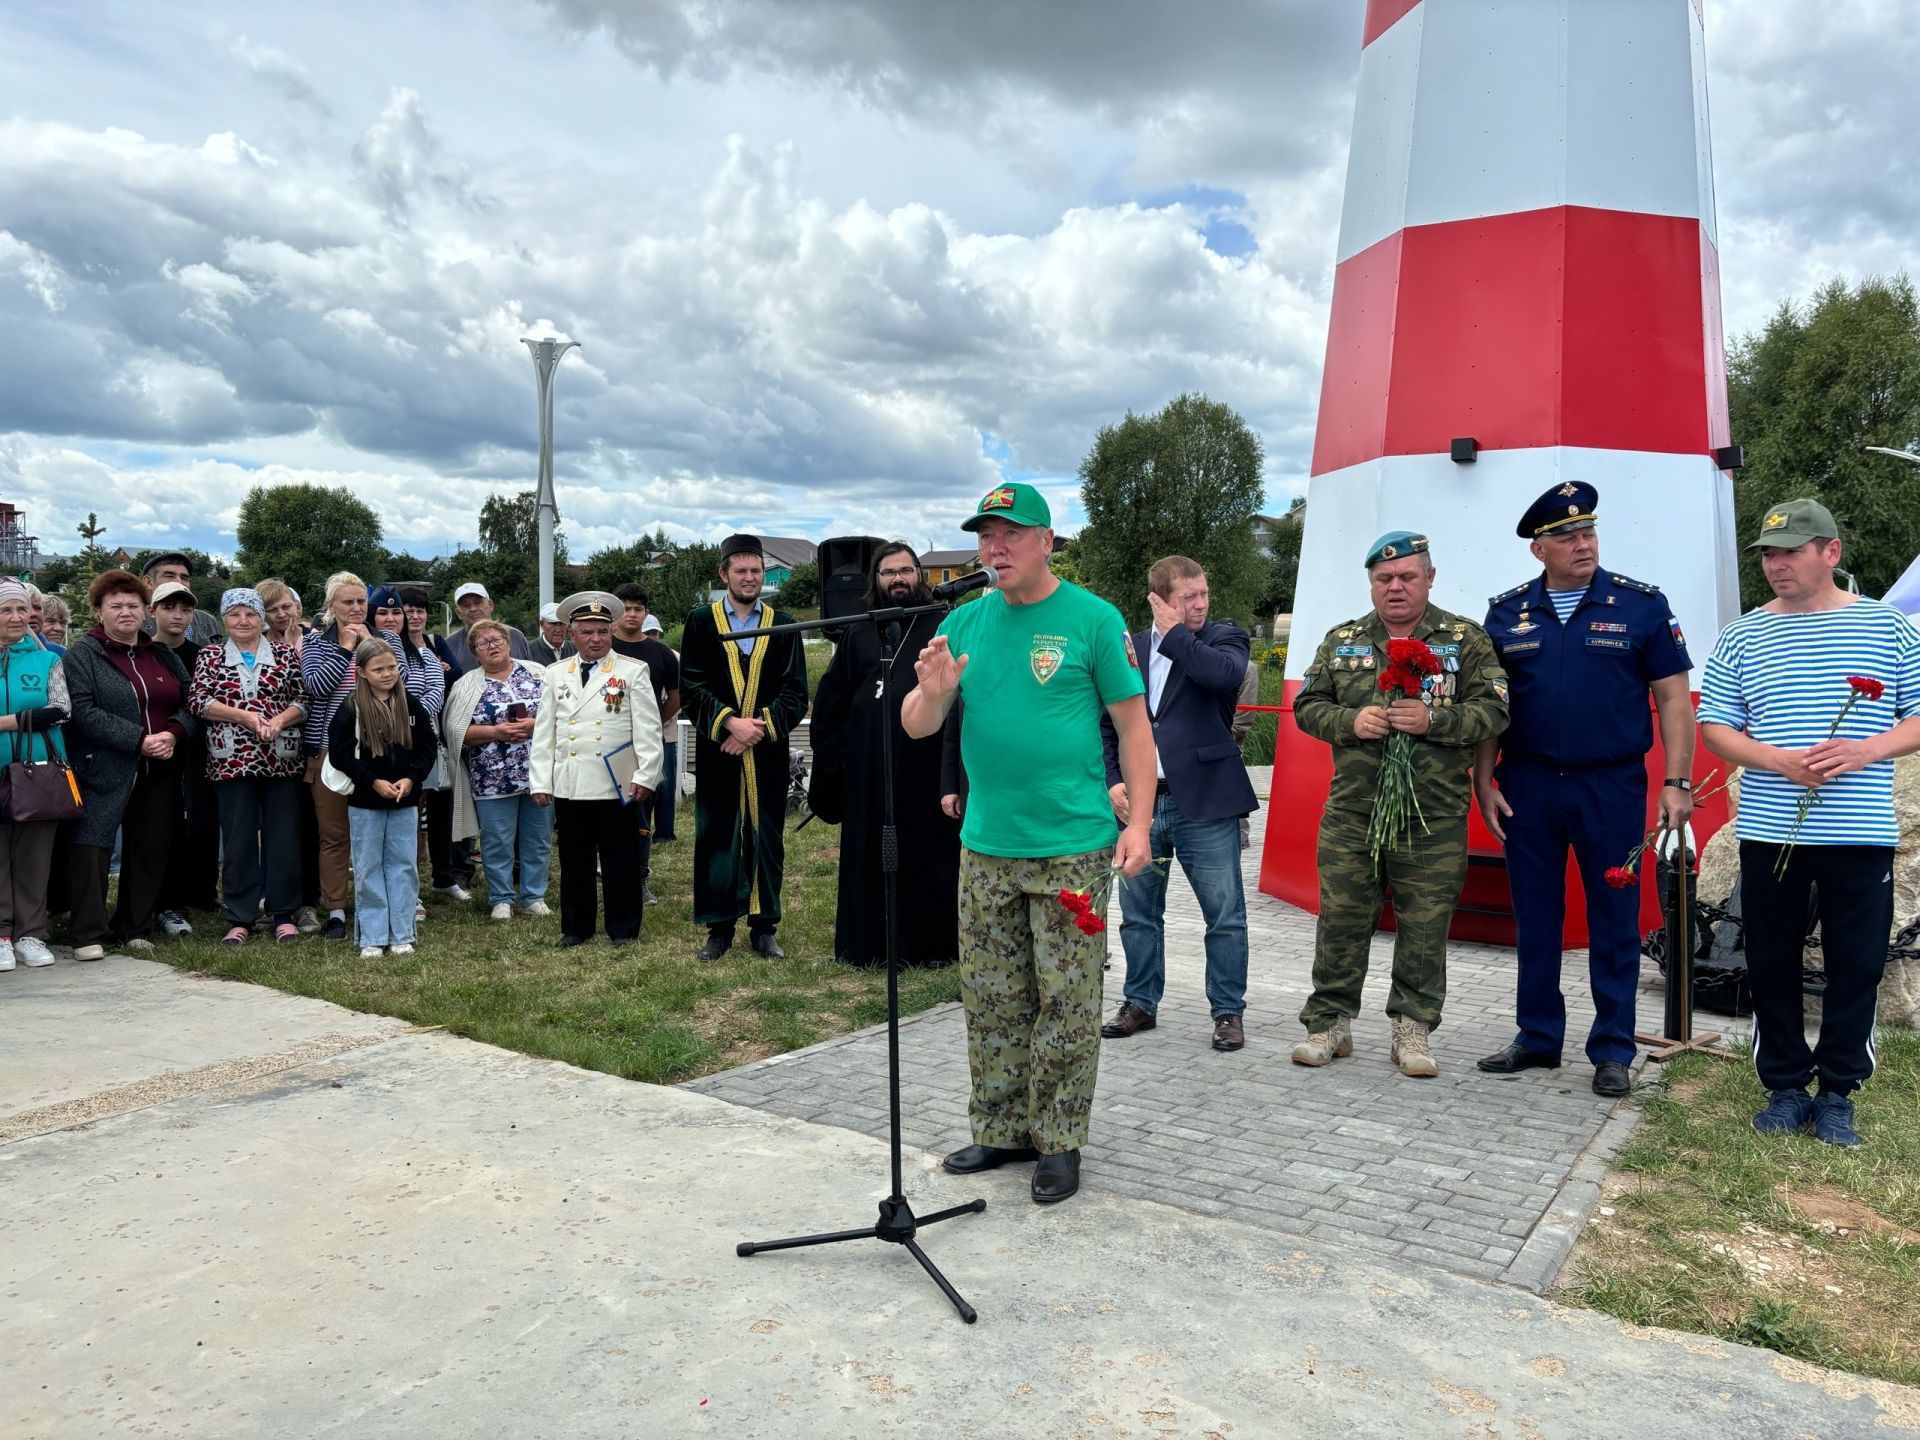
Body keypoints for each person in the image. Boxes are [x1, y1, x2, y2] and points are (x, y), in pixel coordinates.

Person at [901, 482, 1156, 1206]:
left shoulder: (1093, 620)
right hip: (986, 847)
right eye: (985, 535)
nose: (995, 547)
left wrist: (1137, 823)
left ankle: (1060, 1137)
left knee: (1068, 999)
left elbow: (1136, 729)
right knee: (991, 997)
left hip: (1072, 847)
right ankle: (1003, 1127)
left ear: (1047, 541)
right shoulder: (968, 623)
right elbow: (918, 726)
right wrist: (933, 690)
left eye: (1011, 534)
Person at [1698, 498, 1920, 1148]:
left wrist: (1866, 749)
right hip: (1773, 832)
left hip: (1859, 835)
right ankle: (1786, 1086)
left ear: (1831, 551)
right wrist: (1774, 761)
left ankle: (1839, 1094)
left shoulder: (1889, 628)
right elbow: (1715, 726)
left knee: (1857, 965)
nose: (1776, 564)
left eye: (1791, 550)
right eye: (1768, 553)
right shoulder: (1743, 634)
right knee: (1770, 962)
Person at [1472, 483, 1696, 1097]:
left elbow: (1674, 698)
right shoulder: (1507, 613)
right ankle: (1538, 1037)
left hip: (1611, 785)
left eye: (1589, 533)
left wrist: (1677, 782)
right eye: (1567, 537)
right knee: (1536, 916)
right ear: (1538, 549)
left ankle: (1613, 1048)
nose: (1583, 544)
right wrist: (1483, 778)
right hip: (1529, 784)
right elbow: (1493, 705)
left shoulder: (1641, 606)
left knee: (1614, 917)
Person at [1291, 532, 1509, 1078]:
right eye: (1384, 578)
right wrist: (1350, 722)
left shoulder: (1465, 639)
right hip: (1353, 813)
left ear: (1429, 578)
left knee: (1425, 926)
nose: (1395, 586)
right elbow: (1307, 705)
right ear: (1371, 583)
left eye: (1407, 577)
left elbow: (1498, 710)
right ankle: (1329, 1024)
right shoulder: (1343, 639)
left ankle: (1412, 1029)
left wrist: (1437, 720)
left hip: (1431, 815)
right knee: (1341, 919)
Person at [1097, 557, 1258, 1051]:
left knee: (1224, 914)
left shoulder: (1222, 639)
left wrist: (1177, 636)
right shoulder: (1130, 648)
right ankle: (1140, 1002)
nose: (1201, 604)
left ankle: (1228, 1011)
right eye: (1188, 597)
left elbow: (1222, 677)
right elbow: (1109, 722)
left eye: (1204, 594)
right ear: (1158, 599)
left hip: (1206, 802)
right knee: (1139, 913)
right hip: (1141, 807)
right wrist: (1112, 779)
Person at [808, 544, 961, 969]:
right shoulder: (859, 630)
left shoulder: (942, 626)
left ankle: (931, 949)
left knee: (928, 855)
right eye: (888, 572)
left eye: (906, 571)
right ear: (875, 581)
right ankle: (866, 946)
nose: (898, 579)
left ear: (920, 576)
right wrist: (840, 762)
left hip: (924, 767)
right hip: (868, 770)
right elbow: (831, 701)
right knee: (867, 855)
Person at [680, 536, 810, 961]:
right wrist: (729, 724)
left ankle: (764, 926)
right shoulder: (701, 622)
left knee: (766, 836)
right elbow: (691, 686)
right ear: (724, 574)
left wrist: (759, 728)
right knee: (716, 835)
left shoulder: (783, 622)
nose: (749, 577)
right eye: (741, 571)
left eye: (756, 571)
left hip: (767, 753)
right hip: (719, 752)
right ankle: (718, 928)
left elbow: (795, 692)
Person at [62, 569, 197, 959]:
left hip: (160, 768)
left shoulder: (164, 656)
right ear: (98, 611)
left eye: (133, 605)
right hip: (101, 767)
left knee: (149, 847)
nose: (125, 612)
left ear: (145, 611)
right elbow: (82, 711)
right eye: (115, 605)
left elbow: (191, 703)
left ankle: (134, 926)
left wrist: (172, 734)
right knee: (93, 847)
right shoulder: (83, 656)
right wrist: (139, 740)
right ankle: (89, 932)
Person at [529, 593, 664, 946]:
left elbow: (648, 731)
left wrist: (646, 775)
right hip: (571, 781)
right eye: (587, 631)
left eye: (603, 631)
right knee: (575, 858)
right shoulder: (556, 674)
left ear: (612, 632)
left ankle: (623, 928)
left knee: (620, 858)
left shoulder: (632, 671)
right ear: (572, 634)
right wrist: (541, 780)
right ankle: (576, 927)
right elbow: (546, 733)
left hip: (616, 781)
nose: (596, 638)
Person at [188, 588, 307, 945]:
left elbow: (303, 699)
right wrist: (243, 716)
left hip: (280, 759)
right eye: (236, 614)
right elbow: (199, 700)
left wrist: (280, 720)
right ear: (225, 618)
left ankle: (283, 913)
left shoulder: (285, 655)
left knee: (283, 838)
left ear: (261, 618)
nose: (243, 621)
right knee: (238, 841)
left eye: (251, 614)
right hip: (231, 762)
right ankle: (240, 916)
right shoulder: (211, 655)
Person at [300, 573, 407, 941]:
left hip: (379, 751)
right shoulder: (316, 642)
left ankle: (376, 905)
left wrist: (371, 648)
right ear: (332, 606)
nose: (357, 608)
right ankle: (335, 910)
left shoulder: (387, 640)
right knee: (334, 835)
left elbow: (399, 684)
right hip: (330, 753)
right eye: (348, 602)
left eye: (362, 601)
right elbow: (315, 687)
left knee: (376, 835)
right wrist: (346, 650)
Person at [328, 638, 436, 957]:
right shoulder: (351, 707)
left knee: (403, 864)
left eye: (392, 667)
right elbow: (340, 754)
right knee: (368, 865)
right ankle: (373, 935)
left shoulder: (410, 703)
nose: (388, 674)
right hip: (366, 802)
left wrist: (411, 778)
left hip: (404, 798)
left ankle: (402, 933)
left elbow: (427, 747)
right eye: (379, 669)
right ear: (361, 672)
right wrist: (372, 782)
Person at [445, 618, 553, 920]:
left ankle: (533, 896)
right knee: (497, 841)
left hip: (538, 775)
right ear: (474, 652)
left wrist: (535, 727)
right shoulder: (467, 684)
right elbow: (456, 732)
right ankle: (501, 899)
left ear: (508, 642)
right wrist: (496, 733)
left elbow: (562, 717)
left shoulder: (539, 674)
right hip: (492, 778)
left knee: (538, 839)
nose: (492, 646)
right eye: (484, 643)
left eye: (497, 640)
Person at [0, 578, 69, 970]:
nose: (16, 618)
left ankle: (30, 933)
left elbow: (60, 710)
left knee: (34, 855)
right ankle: (1, 934)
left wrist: (7, 722)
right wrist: (27, 719)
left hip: (36, 773)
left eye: (22, 610)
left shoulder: (48, 660)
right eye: (6, 610)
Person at [149, 580, 219, 934]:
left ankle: (202, 892)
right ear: (154, 611)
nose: (178, 615)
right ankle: (167, 901)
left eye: (185, 609)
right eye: (169, 608)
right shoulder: (146, 652)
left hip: (200, 749)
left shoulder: (203, 654)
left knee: (204, 822)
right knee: (169, 826)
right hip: (158, 750)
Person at [610, 582, 681, 905]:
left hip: (643, 747)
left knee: (641, 815)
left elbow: (676, 695)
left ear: (646, 613)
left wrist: (652, 724)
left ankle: (639, 878)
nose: (632, 614)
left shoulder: (660, 652)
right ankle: (609, 876)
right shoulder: (602, 646)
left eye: (638, 609)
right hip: (606, 742)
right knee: (608, 814)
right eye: (626, 608)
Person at [257, 578, 319, 932]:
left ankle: (307, 901)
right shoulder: (257, 644)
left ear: (297, 606)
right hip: (269, 748)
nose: (281, 614)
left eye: (286, 606)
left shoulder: (314, 641)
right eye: (272, 609)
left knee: (309, 826)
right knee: (275, 828)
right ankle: (272, 897)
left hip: (310, 743)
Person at [643, 612, 680, 842]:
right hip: (636, 733)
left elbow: (676, 696)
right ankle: (641, 828)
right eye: (648, 632)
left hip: (666, 731)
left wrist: (654, 722)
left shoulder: (672, 656)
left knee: (665, 784)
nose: (652, 636)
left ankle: (665, 832)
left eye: (655, 632)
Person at [443, 583, 532, 677]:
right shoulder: (449, 645)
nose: (473, 609)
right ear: (458, 613)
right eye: (466, 605)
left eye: (478, 602)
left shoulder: (515, 636)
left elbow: (531, 674)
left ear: (490, 605)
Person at [139, 552, 223, 646]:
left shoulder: (207, 621)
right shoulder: (134, 621)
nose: (179, 582)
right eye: (169, 576)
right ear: (148, 582)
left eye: (184, 578)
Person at [530, 602, 572, 666]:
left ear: (568, 625)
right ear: (541, 624)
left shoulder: (577, 650)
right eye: (553, 624)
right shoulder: (529, 651)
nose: (558, 630)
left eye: (562, 623)